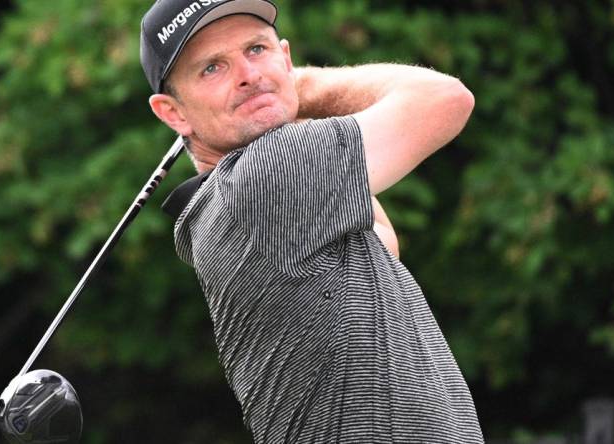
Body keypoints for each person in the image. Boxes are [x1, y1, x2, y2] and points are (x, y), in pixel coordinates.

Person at [140, 0, 482, 442]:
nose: (248, 73)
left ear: (284, 53)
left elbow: (382, 241)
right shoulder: (267, 173)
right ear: (173, 113)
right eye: (212, 68)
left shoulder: (229, 207)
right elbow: (446, 99)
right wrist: (300, 84)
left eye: (256, 50)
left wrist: (273, 98)